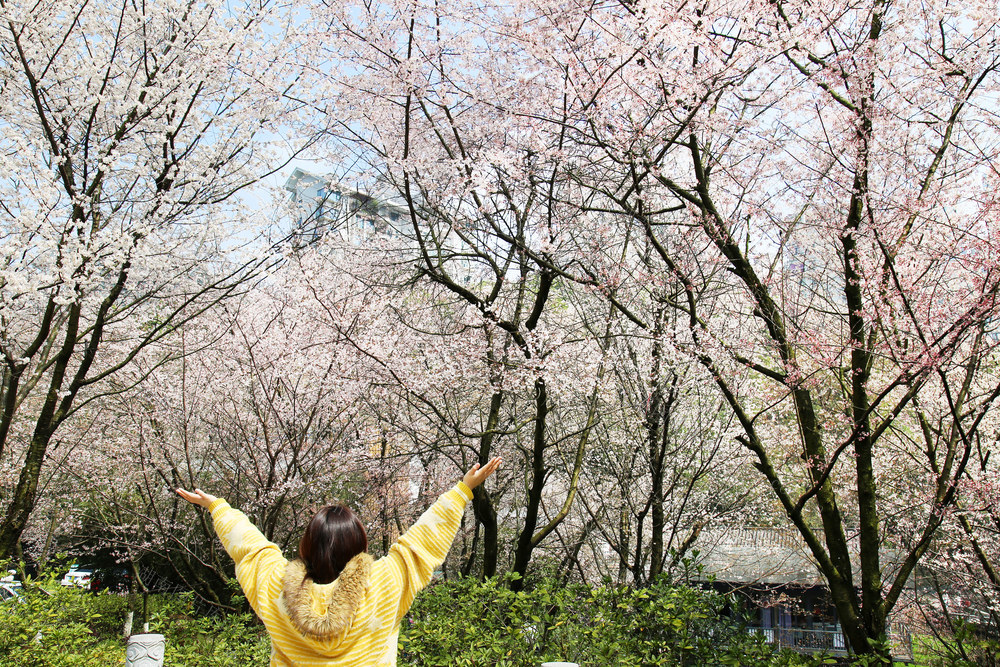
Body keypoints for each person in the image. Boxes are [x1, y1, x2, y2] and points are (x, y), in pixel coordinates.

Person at [176, 456, 501, 667]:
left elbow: (252, 548)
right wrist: (462, 491)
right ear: (359, 546)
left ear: (307, 545)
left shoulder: (277, 586)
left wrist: (217, 507)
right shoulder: (382, 583)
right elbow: (419, 543)